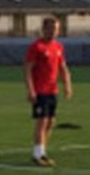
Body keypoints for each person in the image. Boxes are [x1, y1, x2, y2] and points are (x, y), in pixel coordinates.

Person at [23, 16, 72, 166]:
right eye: (51, 29)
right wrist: (31, 90)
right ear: (44, 29)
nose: (54, 32)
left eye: (56, 29)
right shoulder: (36, 47)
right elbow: (27, 69)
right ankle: (38, 154)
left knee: (51, 122)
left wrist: (67, 84)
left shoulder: (58, 47)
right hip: (40, 91)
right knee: (42, 121)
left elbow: (62, 67)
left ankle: (42, 151)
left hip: (52, 90)